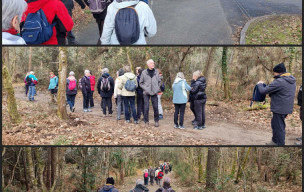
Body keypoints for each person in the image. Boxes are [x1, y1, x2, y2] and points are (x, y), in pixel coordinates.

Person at [257, 63, 296, 146]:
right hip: (285, 107)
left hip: (280, 108)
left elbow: (263, 91)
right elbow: (281, 91)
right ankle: (274, 141)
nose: (273, 74)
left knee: (279, 127)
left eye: (274, 72)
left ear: (278, 72)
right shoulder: (290, 79)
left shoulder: (280, 81)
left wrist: (260, 84)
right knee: (275, 124)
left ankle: (280, 144)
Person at [139, 59, 161, 127]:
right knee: (146, 107)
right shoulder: (144, 72)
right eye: (151, 63)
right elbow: (141, 83)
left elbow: (159, 81)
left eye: (153, 63)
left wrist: (157, 88)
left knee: (155, 107)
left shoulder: (156, 72)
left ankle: (156, 121)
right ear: (148, 64)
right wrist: (145, 89)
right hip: (146, 92)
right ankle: (146, 122)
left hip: (154, 92)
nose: (153, 64)